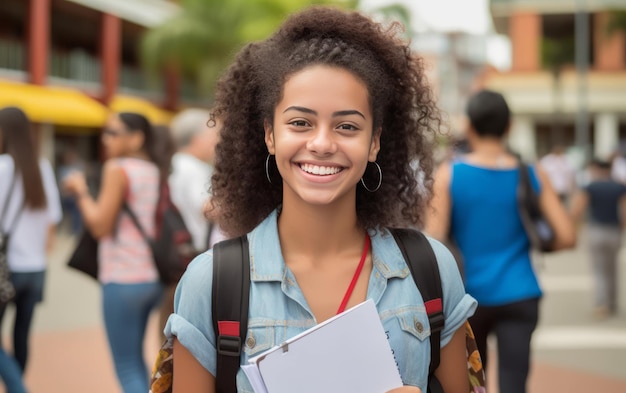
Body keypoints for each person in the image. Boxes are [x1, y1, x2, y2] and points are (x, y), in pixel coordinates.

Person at [165, 7, 477, 393]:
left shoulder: (430, 269)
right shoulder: (211, 283)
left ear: (375, 142)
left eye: (347, 126)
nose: (322, 144)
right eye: (300, 122)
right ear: (269, 135)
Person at [425, 89, 576, 393]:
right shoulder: (531, 172)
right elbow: (567, 236)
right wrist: (535, 245)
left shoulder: (450, 174)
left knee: (470, 384)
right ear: (510, 127)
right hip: (521, 293)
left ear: (469, 126)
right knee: (514, 383)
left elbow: (434, 242)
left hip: (468, 297)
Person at [63, 112, 168, 393]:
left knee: (126, 364)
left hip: (122, 278)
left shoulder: (117, 168)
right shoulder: (155, 170)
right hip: (151, 277)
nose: (105, 139)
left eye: (113, 133)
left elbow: (100, 226)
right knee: (136, 360)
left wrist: (81, 192)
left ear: (136, 138)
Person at [0, 107, 62, 393]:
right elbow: (53, 220)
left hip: (6, 267)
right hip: (36, 268)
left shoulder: (2, 167)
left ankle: (17, 387)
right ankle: (17, 384)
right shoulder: (42, 166)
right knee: (22, 334)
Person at [162, 109, 223, 337]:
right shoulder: (192, 167)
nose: (218, 140)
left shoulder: (175, 164)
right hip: (195, 252)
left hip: (180, 253)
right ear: (197, 138)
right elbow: (207, 207)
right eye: (213, 135)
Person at [570, 158, 626, 319]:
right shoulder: (619, 187)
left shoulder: (590, 187)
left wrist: (573, 227)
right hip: (614, 231)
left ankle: (601, 304)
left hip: (596, 230)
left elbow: (578, 209)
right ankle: (613, 302)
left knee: (599, 270)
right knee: (613, 269)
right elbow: (624, 210)